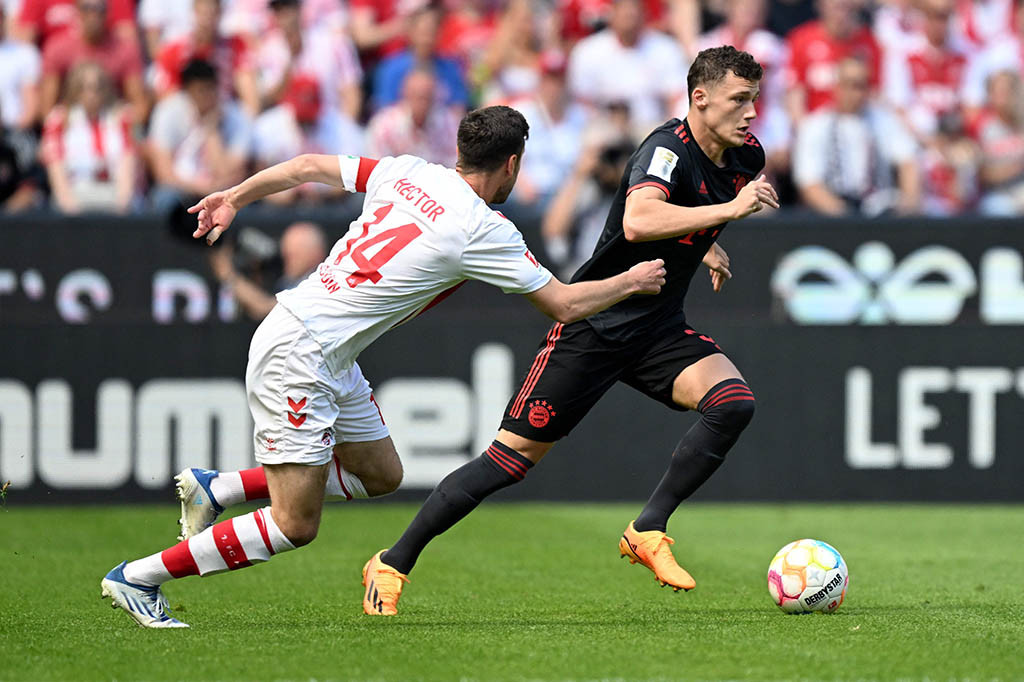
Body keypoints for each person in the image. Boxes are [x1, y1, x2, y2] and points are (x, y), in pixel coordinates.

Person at [99, 105, 667, 629]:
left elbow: (305, 166)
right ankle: (138, 578)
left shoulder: (407, 171)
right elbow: (563, 304)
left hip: (324, 347)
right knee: (295, 524)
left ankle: (217, 487)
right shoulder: (483, 228)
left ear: (460, 150)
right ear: (512, 165)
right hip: (302, 354)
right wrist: (632, 281)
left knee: (380, 475)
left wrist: (235, 196)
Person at [360, 46, 778, 616]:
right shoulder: (665, 150)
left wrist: (703, 244)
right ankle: (392, 562)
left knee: (733, 404)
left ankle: (648, 529)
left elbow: (684, 213)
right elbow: (639, 220)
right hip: (595, 324)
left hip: (657, 328)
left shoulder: (744, 156)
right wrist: (725, 214)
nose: (751, 112)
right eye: (739, 100)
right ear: (699, 99)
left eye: (754, 99)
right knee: (505, 463)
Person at [793, 56, 920, 215]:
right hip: (834, 211)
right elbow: (809, 184)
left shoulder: (885, 121)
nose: (856, 94)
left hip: (880, 209)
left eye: (861, 86)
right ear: (836, 88)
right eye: (849, 85)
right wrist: (847, 218)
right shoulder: (815, 126)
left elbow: (909, 163)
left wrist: (908, 206)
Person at [40, 61, 138, 213]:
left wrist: (121, 205)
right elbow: (55, 166)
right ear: (75, 90)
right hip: (76, 192)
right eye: (86, 88)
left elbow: (128, 162)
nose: (92, 95)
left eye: (98, 88)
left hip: (113, 191)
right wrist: (70, 208)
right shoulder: (59, 120)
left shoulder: (121, 118)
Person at [209, 221, 330, 321]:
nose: (286, 259)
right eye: (285, 253)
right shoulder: (288, 280)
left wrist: (228, 274)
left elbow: (266, 309)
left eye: (294, 255)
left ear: (317, 254)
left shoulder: (319, 286)